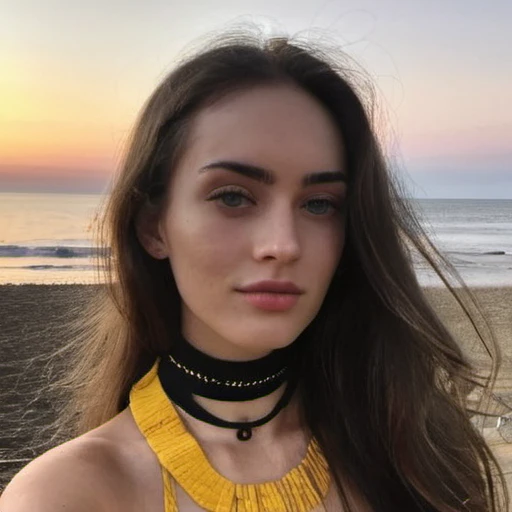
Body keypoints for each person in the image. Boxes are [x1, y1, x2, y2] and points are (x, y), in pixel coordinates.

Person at [0, 29, 507, 511]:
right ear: (154, 227)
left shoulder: (418, 450)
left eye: (319, 204)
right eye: (233, 196)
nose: (283, 245)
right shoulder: (70, 494)